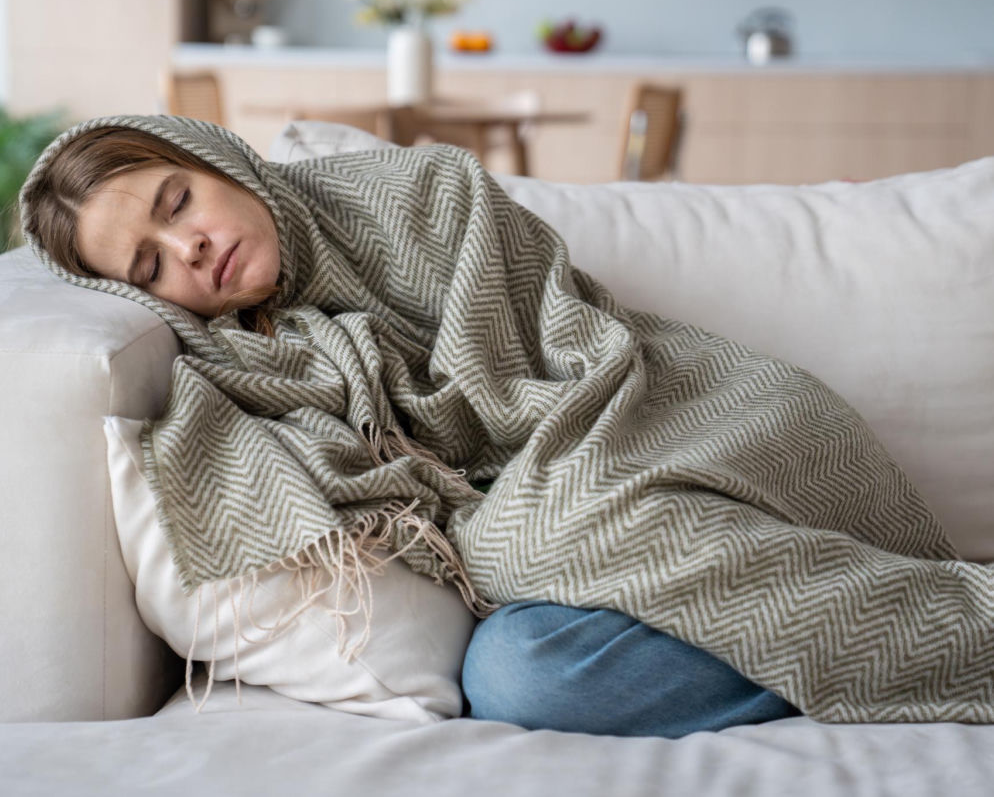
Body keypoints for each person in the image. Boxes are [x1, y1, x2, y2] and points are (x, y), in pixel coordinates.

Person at [24, 121, 801, 738]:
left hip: (697, 420)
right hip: (568, 549)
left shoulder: (424, 193)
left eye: (177, 202)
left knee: (516, 575)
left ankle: (855, 643)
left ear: (216, 161)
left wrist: (517, 524)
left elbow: (557, 366)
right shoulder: (243, 371)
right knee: (517, 673)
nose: (187, 246)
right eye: (151, 270)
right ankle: (811, 659)